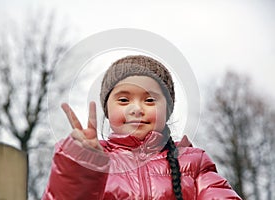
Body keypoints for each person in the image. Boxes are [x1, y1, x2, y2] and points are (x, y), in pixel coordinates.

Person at [42, 55, 242, 199]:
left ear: (168, 110)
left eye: (149, 100)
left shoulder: (193, 163)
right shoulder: (96, 160)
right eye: (123, 99)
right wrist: (80, 160)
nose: (136, 109)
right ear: (107, 110)